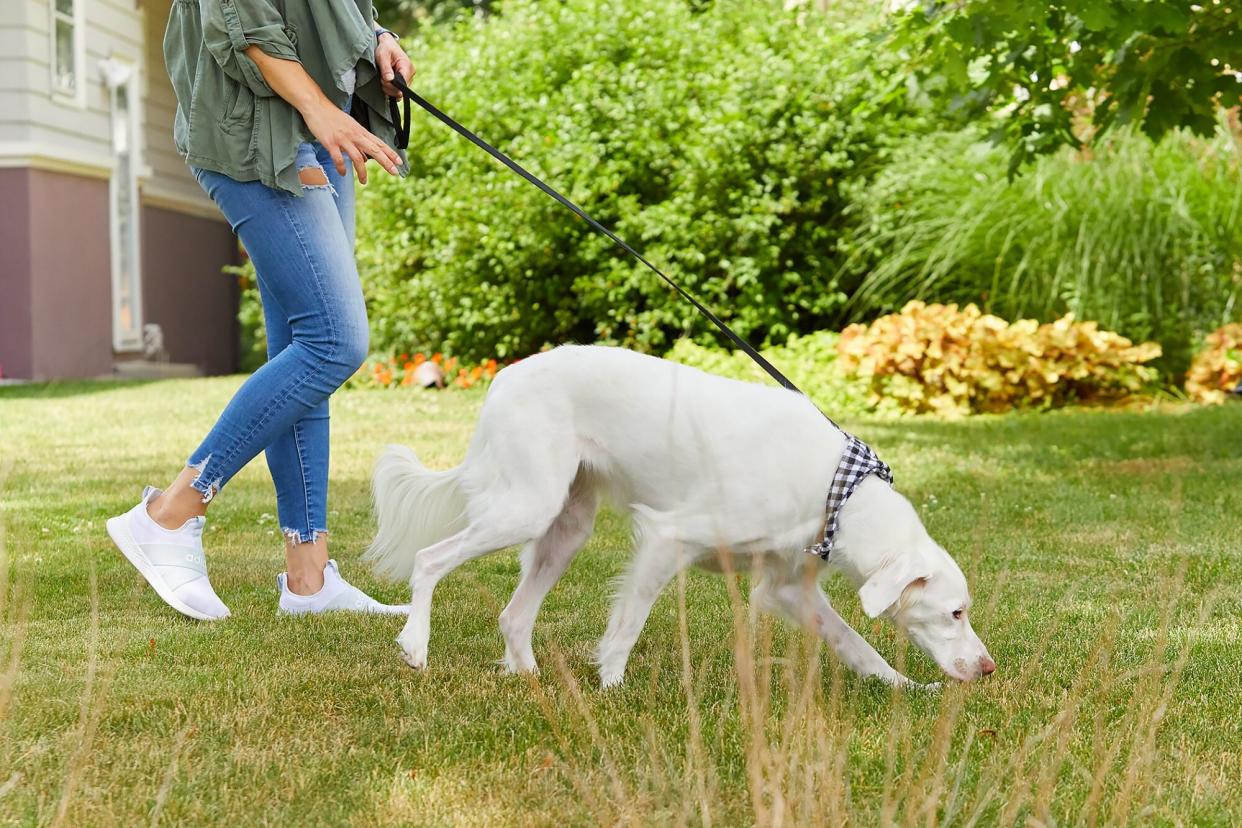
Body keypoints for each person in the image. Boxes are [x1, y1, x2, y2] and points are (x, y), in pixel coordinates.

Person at [105, 0, 416, 620]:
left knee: (304, 353)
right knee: (334, 342)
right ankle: (169, 512)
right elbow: (245, 22)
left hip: (318, 127)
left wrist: (375, 33)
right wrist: (320, 109)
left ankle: (309, 579)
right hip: (261, 134)